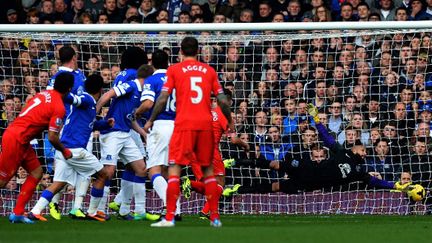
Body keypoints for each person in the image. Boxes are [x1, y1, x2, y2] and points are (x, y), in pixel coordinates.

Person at [223, 104, 416, 197]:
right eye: (363, 149)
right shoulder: (342, 151)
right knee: (274, 164)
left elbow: (375, 181)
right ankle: (235, 162)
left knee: (275, 187)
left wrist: (397, 186)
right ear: (356, 148)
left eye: (365, 151)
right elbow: (325, 137)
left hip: (309, 184)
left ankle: (237, 189)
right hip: (306, 167)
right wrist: (315, 119)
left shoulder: (359, 172)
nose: (364, 151)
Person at [145, 36, 232, 227]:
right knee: (209, 171)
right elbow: (223, 100)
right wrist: (230, 120)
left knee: (174, 169)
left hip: (183, 124)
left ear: (181, 52)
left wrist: (151, 119)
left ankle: (169, 217)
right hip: (205, 125)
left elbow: (162, 99)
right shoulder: (209, 71)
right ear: (198, 51)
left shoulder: (175, 70)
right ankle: (215, 217)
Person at [28, 74, 112, 222]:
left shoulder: (90, 105)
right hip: (74, 150)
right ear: (101, 90)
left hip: (63, 149)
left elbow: (90, 124)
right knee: (103, 174)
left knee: (59, 183)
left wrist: (105, 124)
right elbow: (73, 99)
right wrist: (60, 91)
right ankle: (92, 211)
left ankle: (35, 211)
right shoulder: (86, 99)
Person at [0, 72, 74, 224]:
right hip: (16, 139)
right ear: (69, 88)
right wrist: (65, 151)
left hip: (21, 138)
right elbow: (53, 137)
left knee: (37, 172)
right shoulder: (59, 107)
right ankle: (18, 213)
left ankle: (18, 213)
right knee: (2, 180)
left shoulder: (45, 93)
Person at [95, 49, 158, 221]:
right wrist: (93, 115)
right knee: (108, 171)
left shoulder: (126, 78)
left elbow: (130, 117)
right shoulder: (132, 82)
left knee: (140, 169)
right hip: (113, 133)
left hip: (126, 132)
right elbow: (108, 95)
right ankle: (98, 209)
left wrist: (143, 133)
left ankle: (135, 211)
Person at [181, 90, 249, 219]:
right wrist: (246, 146)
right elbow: (234, 139)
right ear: (229, 101)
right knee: (219, 185)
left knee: (207, 185)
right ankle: (191, 186)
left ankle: (204, 209)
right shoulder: (224, 114)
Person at [134, 50, 182, 220]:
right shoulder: (176, 79)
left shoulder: (152, 80)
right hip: (177, 126)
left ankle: (172, 208)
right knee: (169, 170)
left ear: (152, 63)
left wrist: (137, 113)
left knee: (153, 170)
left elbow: (148, 103)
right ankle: (176, 209)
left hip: (160, 126)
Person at [46, 45, 91, 220]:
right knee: (69, 167)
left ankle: (75, 207)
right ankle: (56, 202)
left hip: (74, 125)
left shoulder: (78, 75)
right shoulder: (60, 78)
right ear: (74, 57)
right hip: (69, 126)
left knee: (79, 166)